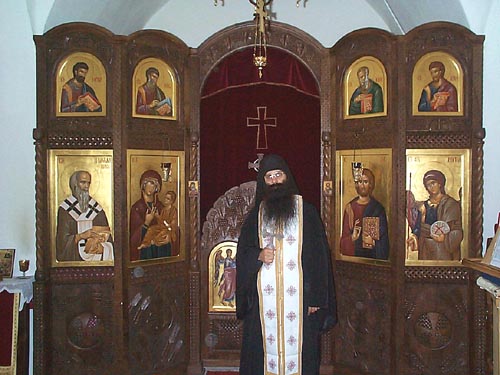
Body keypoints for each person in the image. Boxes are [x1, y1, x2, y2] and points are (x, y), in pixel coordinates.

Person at [236, 154, 336, 375]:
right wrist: (258, 255)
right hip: (263, 303)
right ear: (263, 182)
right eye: (269, 177)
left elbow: (319, 257)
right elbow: (242, 253)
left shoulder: (306, 212)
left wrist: (316, 298)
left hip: (301, 300)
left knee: (303, 353)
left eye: (278, 175)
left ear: (286, 177)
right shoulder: (256, 215)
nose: (274, 181)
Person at [56, 170, 113, 261]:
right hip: (75, 259)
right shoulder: (65, 210)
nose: (86, 186)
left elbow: (107, 237)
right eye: (83, 182)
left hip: (97, 258)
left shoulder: (96, 209)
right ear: (74, 184)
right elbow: (62, 243)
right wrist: (81, 236)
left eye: (88, 183)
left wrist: (103, 248)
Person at [409, 170, 463, 260]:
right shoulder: (423, 205)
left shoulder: (451, 204)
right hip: (425, 247)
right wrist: (414, 236)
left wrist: (445, 238)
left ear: (440, 184)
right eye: (428, 185)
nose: (431, 187)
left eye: (433, 183)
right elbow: (419, 227)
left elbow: (457, 229)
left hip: (442, 249)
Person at [339, 168, 389, 260]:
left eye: (365, 182)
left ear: (370, 184)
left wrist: (373, 242)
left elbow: (385, 241)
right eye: (359, 182)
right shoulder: (350, 208)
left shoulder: (378, 209)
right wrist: (352, 238)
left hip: (373, 261)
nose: (362, 185)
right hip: (355, 261)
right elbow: (342, 243)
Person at [129, 170, 172, 261]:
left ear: (157, 187)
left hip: (161, 250)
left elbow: (170, 225)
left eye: (153, 184)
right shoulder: (137, 208)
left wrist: (169, 236)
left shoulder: (160, 207)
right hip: (146, 253)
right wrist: (146, 223)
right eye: (147, 183)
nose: (150, 186)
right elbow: (133, 238)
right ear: (143, 185)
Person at [137, 190, 179, 256]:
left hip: (169, 229)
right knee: (151, 229)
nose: (165, 200)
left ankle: (153, 242)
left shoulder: (173, 210)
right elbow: (160, 221)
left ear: (172, 201)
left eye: (168, 199)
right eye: (165, 198)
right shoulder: (163, 210)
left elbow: (173, 223)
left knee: (161, 234)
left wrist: (168, 226)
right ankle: (145, 243)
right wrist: (157, 216)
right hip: (162, 227)